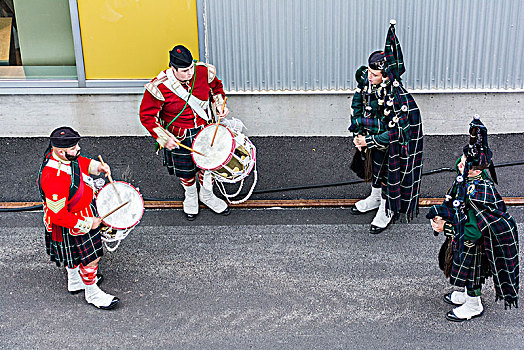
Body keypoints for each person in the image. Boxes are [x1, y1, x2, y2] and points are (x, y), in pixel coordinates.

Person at [427, 116, 519, 322]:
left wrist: (446, 227)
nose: (460, 164)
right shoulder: (467, 179)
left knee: (471, 275)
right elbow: (456, 201)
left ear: (477, 170)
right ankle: (467, 296)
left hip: (473, 242)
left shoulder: (479, 191)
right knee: (462, 270)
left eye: (465, 163)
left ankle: (473, 304)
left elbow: (474, 230)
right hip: (462, 237)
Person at [348, 20, 423, 234]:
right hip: (372, 138)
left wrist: (367, 140)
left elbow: (395, 131)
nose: (369, 78)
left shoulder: (399, 98)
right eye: (369, 72)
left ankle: (387, 208)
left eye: (375, 75)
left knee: (391, 174)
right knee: (375, 170)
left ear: (387, 75)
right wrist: (358, 131)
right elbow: (357, 104)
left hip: (392, 145)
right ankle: (374, 197)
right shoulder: (367, 81)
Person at [139, 44, 230, 220]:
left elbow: (217, 89)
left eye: (191, 68)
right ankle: (190, 195)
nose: (190, 73)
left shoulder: (203, 72)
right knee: (186, 170)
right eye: (184, 71)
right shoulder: (159, 86)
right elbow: (147, 116)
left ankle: (207, 194)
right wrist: (164, 139)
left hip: (206, 129)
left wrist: (220, 104)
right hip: (180, 136)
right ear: (173, 68)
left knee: (209, 166)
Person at [37, 126, 120, 310]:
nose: (78, 150)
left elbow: (79, 162)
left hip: (80, 212)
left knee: (73, 255)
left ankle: (74, 280)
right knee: (92, 259)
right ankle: (92, 293)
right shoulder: (54, 177)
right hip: (74, 220)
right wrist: (89, 223)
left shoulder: (61, 154)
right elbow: (58, 215)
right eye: (73, 148)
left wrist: (97, 167)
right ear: (60, 151)